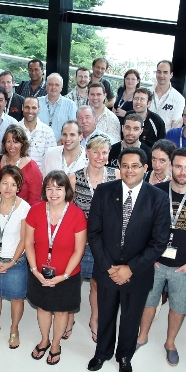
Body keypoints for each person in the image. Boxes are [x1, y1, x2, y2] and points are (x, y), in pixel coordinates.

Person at [87, 147, 170, 372]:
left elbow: (159, 242)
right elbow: (94, 233)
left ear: (145, 168)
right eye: (124, 166)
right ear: (119, 168)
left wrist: (131, 268)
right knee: (106, 313)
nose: (129, 170)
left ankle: (124, 356)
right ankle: (102, 352)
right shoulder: (104, 191)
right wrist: (108, 266)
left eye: (135, 166)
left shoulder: (158, 198)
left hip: (138, 272)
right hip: (107, 268)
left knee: (131, 317)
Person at [138, 149, 186, 366]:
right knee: (148, 301)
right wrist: (148, 256)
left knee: (179, 306)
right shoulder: (156, 191)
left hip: (184, 265)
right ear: (170, 167)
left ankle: (170, 342)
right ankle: (142, 336)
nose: (183, 172)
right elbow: (144, 226)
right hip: (155, 262)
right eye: (179, 166)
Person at [23, 169, 88, 366]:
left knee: (61, 311)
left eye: (59, 188)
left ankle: (56, 344)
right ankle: (44, 340)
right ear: (44, 190)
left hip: (66, 276)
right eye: (49, 188)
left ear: (66, 190)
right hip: (39, 273)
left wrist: (64, 276)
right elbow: (28, 243)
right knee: (43, 308)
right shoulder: (35, 210)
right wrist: (34, 271)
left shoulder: (77, 215)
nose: (54, 193)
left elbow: (79, 250)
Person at [0, 164, 31, 348]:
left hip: (15, 261)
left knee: (17, 298)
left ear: (19, 187)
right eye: (5, 183)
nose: (8, 188)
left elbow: (24, 239)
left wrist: (12, 262)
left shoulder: (24, 208)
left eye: (13, 184)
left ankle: (14, 329)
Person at [71, 134, 115, 340]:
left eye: (104, 152)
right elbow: (68, 213)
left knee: (98, 283)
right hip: (80, 241)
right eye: (95, 152)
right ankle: (69, 316)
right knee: (74, 280)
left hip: (105, 242)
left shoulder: (117, 176)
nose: (100, 156)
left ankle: (95, 319)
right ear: (87, 152)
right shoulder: (74, 178)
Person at [0, 125, 44, 205]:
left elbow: (34, 201)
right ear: (4, 143)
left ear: (22, 144)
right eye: (8, 141)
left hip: (21, 212)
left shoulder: (32, 168)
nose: (12, 146)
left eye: (16, 142)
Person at [38, 73, 77, 141]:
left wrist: (58, 145)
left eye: (57, 85)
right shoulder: (37, 102)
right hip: (38, 144)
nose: (53, 87)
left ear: (61, 87)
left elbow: (72, 129)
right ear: (46, 86)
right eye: (50, 84)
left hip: (62, 145)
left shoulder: (71, 105)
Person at [19, 97, 56, 168]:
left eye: (34, 108)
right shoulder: (14, 130)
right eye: (27, 107)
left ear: (39, 109)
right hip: (18, 173)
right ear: (22, 108)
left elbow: (52, 158)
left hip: (41, 174)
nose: (30, 111)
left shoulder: (48, 132)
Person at [150, 60, 184, 129]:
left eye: (165, 72)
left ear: (171, 75)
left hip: (165, 135)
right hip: (142, 134)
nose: (161, 75)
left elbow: (175, 127)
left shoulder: (178, 98)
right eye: (159, 72)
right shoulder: (146, 93)